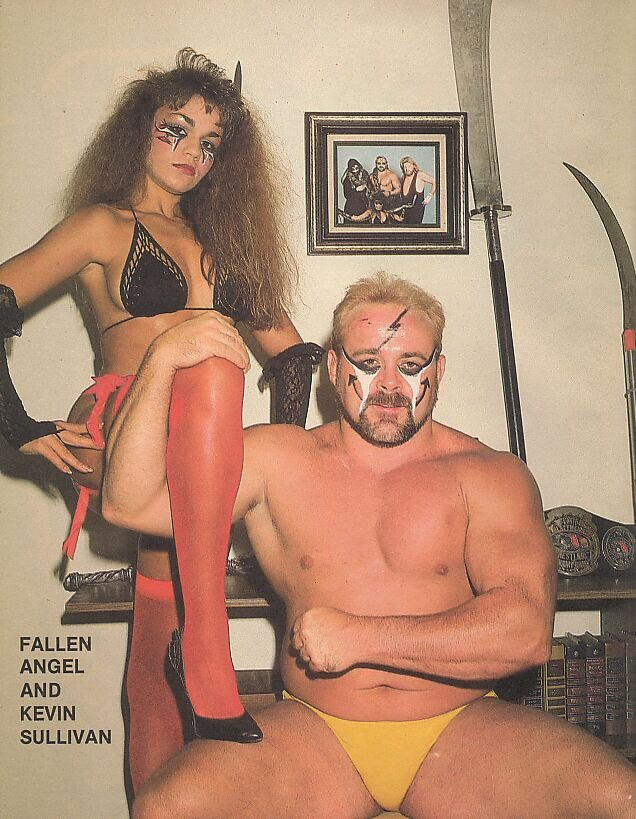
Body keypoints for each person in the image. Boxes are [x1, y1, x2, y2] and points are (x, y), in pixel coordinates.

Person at [103, 272, 634, 818]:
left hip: (459, 731)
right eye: (368, 362)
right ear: (333, 368)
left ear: (439, 371)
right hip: (317, 735)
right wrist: (161, 362)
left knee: (624, 800)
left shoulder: (489, 474)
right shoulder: (277, 460)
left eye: (411, 365)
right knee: (167, 809)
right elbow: (130, 504)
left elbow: (524, 634)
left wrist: (361, 637)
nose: (389, 386)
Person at [0, 48, 322, 792]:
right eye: (175, 131)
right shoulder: (103, 225)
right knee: (210, 358)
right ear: (139, 130)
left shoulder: (223, 247)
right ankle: (209, 647)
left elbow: (292, 356)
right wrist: (19, 426)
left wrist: (286, 460)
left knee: (159, 614)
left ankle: (158, 798)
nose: (191, 153)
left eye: (209, 143)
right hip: (121, 418)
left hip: (197, 453)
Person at [400, 156, 436, 225]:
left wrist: (429, 197)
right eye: (404, 167)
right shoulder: (403, 177)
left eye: (409, 166)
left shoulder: (419, 175)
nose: (407, 169)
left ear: (413, 166)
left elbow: (435, 181)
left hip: (416, 211)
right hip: (405, 211)